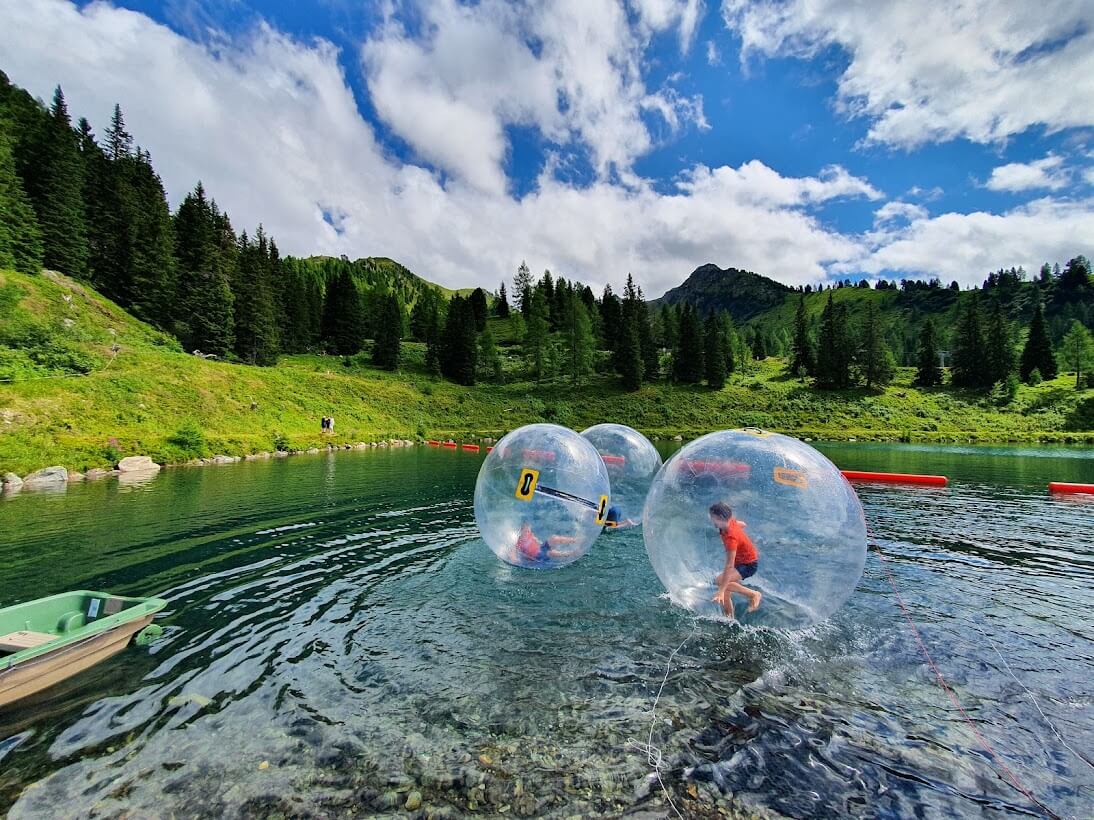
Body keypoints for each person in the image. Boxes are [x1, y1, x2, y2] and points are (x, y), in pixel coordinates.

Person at [709, 501, 762, 619]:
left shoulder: (731, 538)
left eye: (712, 517)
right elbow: (743, 524)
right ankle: (729, 618)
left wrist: (721, 590)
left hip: (748, 565)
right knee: (726, 588)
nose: (711, 519)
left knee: (720, 582)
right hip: (743, 560)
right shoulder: (730, 522)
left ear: (720, 518)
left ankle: (754, 594)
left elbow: (729, 565)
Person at [510, 521, 579, 564]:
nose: (528, 532)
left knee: (554, 538)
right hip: (538, 557)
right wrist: (515, 559)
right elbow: (513, 551)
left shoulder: (530, 534)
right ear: (521, 531)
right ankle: (571, 554)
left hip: (541, 548)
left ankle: (575, 540)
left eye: (529, 531)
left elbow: (536, 540)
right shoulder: (519, 542)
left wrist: (540, 542)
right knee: (551, 553)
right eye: (526, 531)